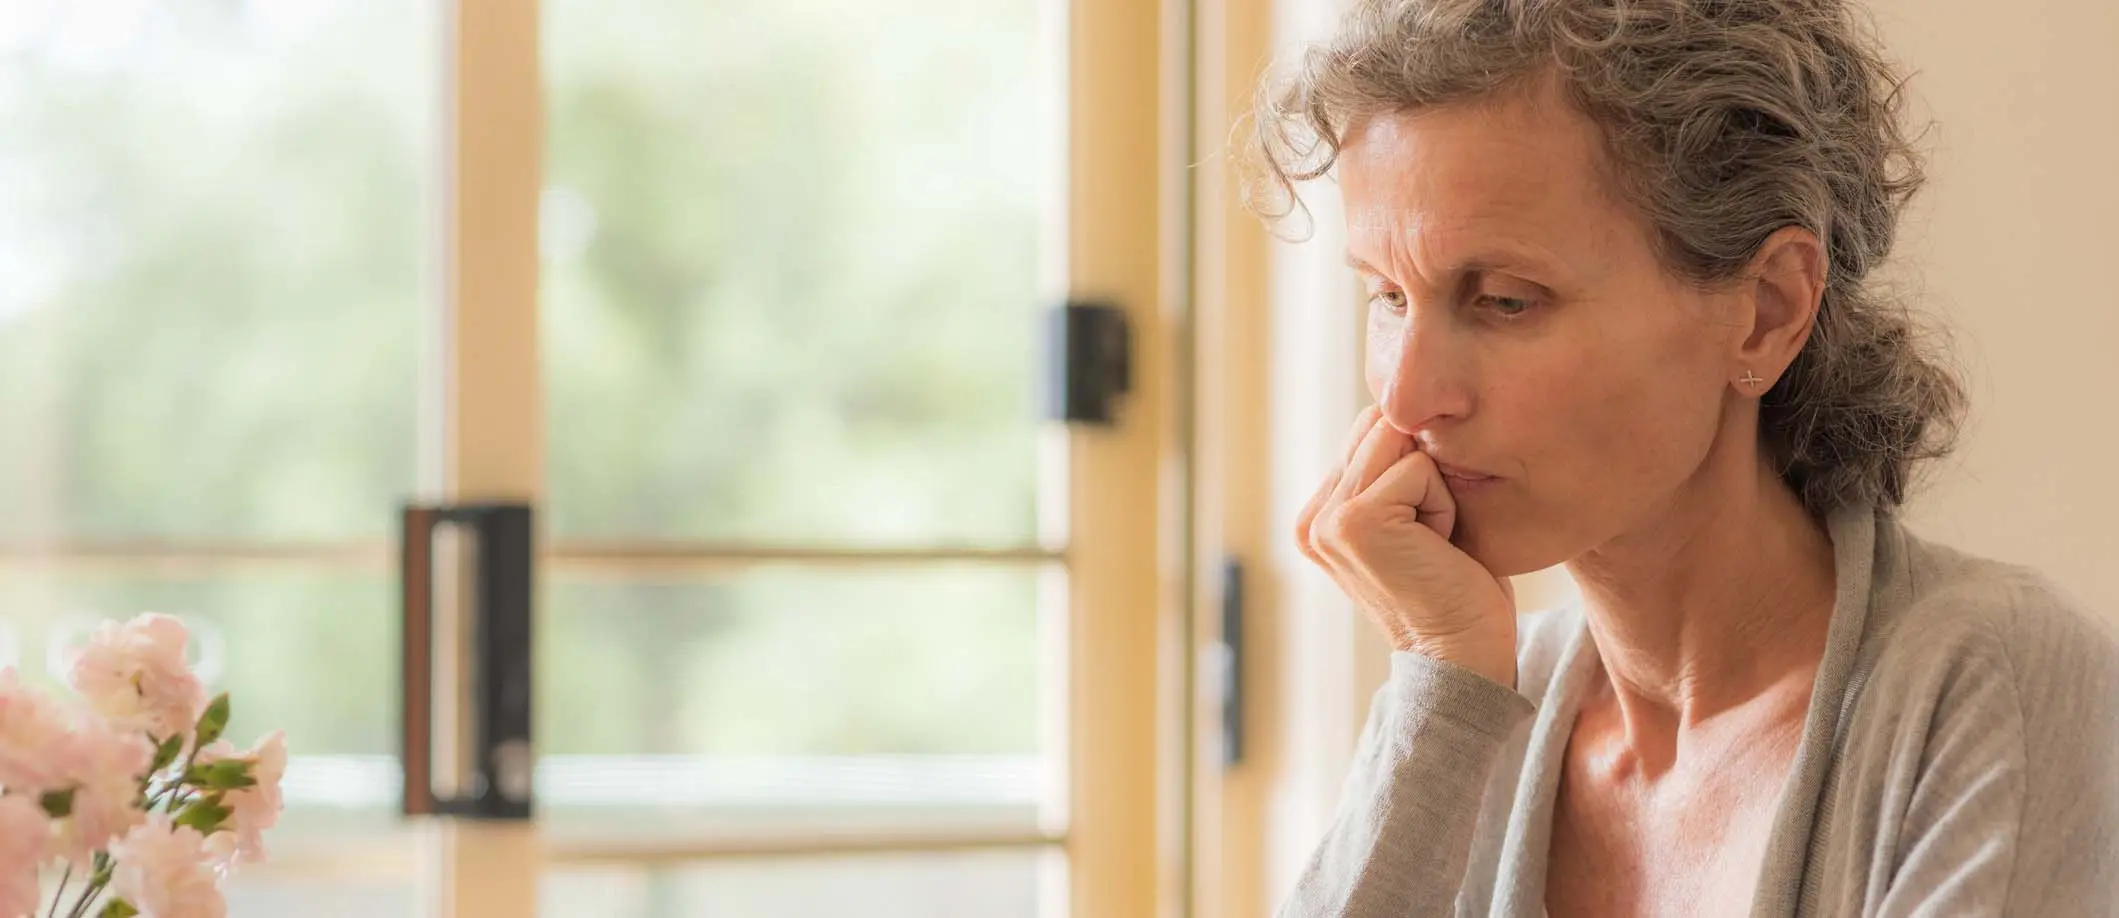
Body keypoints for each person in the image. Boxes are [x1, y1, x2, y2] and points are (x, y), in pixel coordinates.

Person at [1244, 0, 2119, 915]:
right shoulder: (1475, 705)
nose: (1407, 398)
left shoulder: (1989, 687)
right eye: (1387, 296)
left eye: (1504, 300)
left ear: (1767, 310)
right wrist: (1438, 687)